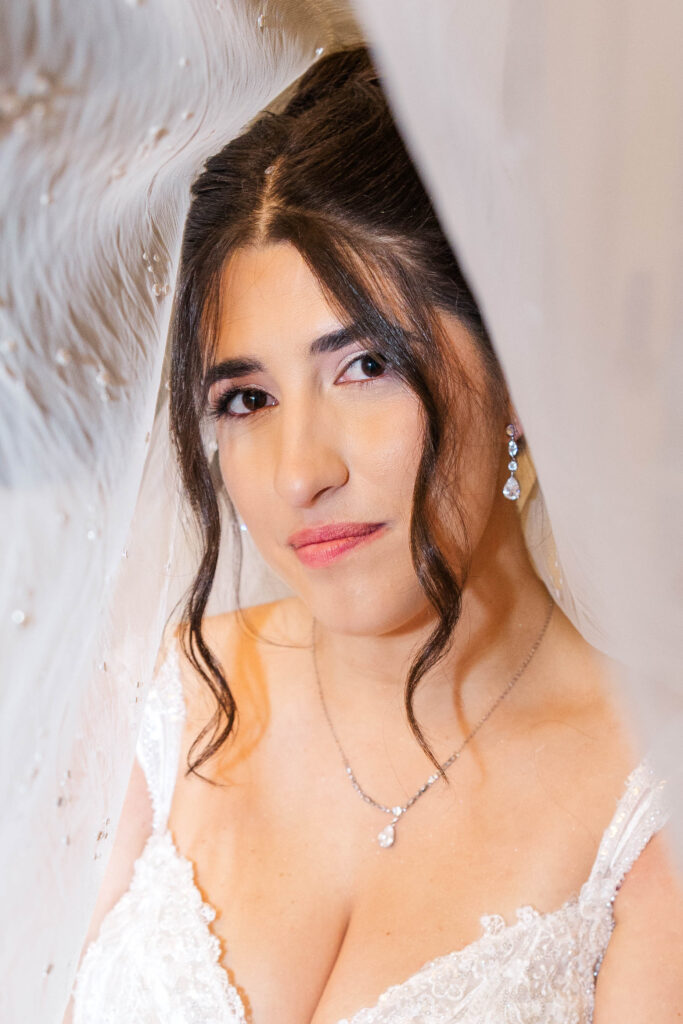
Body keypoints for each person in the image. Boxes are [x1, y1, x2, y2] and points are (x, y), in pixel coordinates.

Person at [67, 46, 681, 1024]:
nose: (300, 470)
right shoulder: (154, 705)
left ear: (521, 367)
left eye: (363, 367)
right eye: (245, 396)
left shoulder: (649, 817)